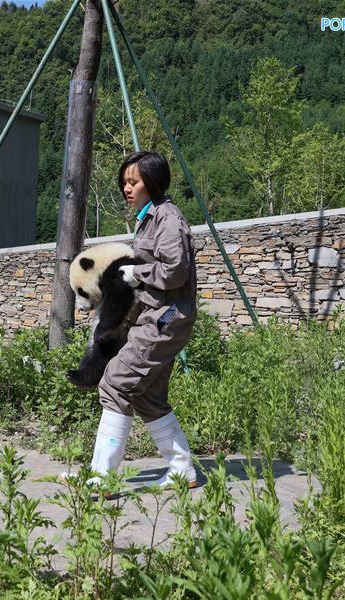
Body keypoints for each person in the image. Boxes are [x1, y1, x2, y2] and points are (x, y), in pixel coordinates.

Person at [87, 150, 198, 489]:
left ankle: (102, 478)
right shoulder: (149, 217)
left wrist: (139, 272)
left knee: (116, 382)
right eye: (124, 182)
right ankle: (183, 470)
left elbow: (175, 271)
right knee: (147, 396)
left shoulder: (167, 218)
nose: (127, 187)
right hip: (156, 317)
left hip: (165, 319)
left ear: (152, 180)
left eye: (133, 181)